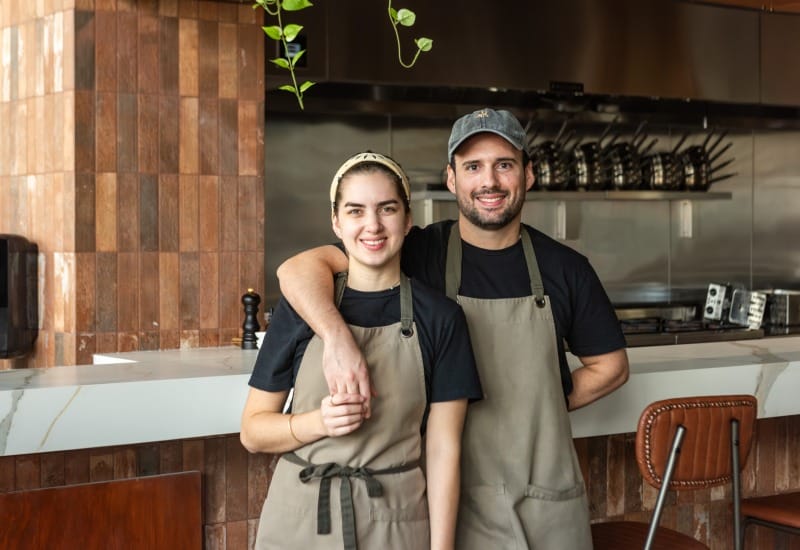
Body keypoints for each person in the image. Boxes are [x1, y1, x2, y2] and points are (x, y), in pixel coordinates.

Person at [275, 109, 630, 549]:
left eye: (504, 164)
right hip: (452, 503)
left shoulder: (566, 269)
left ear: (528, 174)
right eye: (473, 167)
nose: (489, 182)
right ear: (451, 178)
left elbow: (611, 367)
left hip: (546, 501)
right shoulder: (415, 252)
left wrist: (535, 404)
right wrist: (336, 339)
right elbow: (297, 270)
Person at [240, 151, 483, 550]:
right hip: (298, 520)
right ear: (336, 222)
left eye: (387, 209)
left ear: (407, 219)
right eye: (355, 211)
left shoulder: (442, 318)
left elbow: (443, 450)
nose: (373, 225)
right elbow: (253, 432)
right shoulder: (303, 308)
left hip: (396, 521)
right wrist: (319, 423)